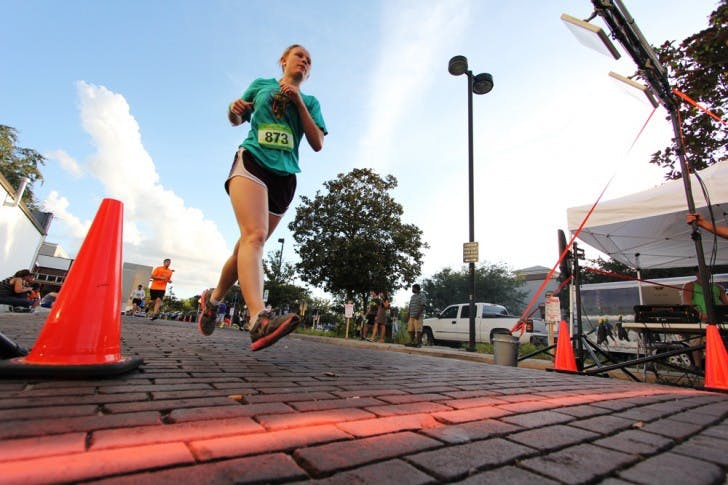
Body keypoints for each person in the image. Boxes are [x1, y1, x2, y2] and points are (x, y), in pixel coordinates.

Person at [197, 44, 327, 352]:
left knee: (247, 244)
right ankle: (258, 319)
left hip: (284, 176)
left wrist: (298, 102)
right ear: (284, 61)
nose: (305, 63)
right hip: (253, 160)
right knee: (254, 236)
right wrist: (234, 108)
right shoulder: (262, 85)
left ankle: (212, 300)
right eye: (300, 57)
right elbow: (236, 117)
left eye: (309, 62)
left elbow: (318, 142)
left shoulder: (310, 100)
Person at [681, 268, 728, 369]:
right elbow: (688, 304)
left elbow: (726, 304)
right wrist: (701, 315)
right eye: (703, 271)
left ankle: (718, 365)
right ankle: (698, 367)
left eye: (708, 271)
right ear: (696, 273)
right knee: (697, 343)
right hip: (699, 321)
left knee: (718, 343)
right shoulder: (690, 286)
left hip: (717, 320)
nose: (707, 273)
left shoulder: (718, 287)